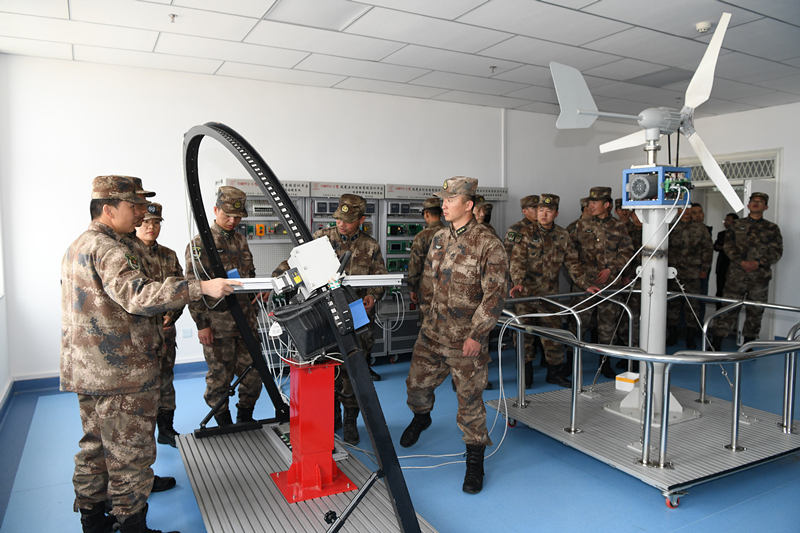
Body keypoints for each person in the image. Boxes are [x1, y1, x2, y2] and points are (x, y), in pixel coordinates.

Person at [61, 175, 239, 533]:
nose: (142, 212)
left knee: (95, 447)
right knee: (130, 454)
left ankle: (93, 522)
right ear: (109, 209)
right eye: (134, 205)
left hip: (88, 369)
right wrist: (200, 287)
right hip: (119, 372)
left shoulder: (79, 245)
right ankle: (132, 526)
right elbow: (138, 296)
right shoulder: (111, 249)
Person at [400, 176, 508, 495]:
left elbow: (494, 296)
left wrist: (477, 335)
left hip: (466, 340)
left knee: (469, 402)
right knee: (416, 386)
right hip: (432, 334)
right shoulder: (439, 238)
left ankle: (475, 459)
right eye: (443, 199)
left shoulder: (488, 244)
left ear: (469, 205)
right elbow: (428, 283)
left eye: (450, 200)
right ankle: (422, 417)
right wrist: (426, 319)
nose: (444, 205)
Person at [273, 194, 388, 445]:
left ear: (361, 220)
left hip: (355, 318)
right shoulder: (321, 239)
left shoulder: (370, 246)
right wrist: (276, 280)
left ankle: (350, 420)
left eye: (348, 220)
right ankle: (332, 416)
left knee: (353, 373)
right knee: (326, 369)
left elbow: (380, 278)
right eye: (338, 219)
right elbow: (292, 263)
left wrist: (372, 295)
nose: (341, 224)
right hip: (323, 318)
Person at [185, 186, 264, 428]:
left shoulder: (241, 240)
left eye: (237, 217)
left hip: (246, 321)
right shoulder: (200, 244)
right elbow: (192, 287)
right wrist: (202, 324)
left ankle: (245, 416)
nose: (232, 221)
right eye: (227, 215)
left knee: (254, 373)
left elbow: (249, 274)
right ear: (215, 210)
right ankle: (223, 422)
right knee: (220, 377)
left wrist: (257, 294)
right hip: (218, 324)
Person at [509, 194, 585, 388]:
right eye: (540, 210)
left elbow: (573, 263)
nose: (543, 214)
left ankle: (555, 374)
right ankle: (526, 375)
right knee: (524, 336)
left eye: (549, 211)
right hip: (526, 295)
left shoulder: (562, 235)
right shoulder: (525, 233)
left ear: (556, 214)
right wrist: (518, 282)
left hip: (550, 296)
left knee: (554, 336)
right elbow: (517, 261)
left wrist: (586, 284)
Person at [569, 186, 634, 378]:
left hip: (610, 285)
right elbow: (570, 254)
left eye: (595, 202)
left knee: (607, 326)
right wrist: (582, 280)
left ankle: (604, 363)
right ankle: (572, 362)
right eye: (590, 202)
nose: (591, 205)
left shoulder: (619, 227)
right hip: (585, 286)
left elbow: (627, 252)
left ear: (606, 205)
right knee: (578, 324)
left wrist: (611, 269)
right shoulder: (580, 226)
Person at [135, 202, 185, 448]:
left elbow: (182, 289)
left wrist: (171, 315)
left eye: (156, 223)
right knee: (139, 385)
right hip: (138, 336)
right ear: (137, 222)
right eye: (146, 222)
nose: (151, 227)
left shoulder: (169, 255)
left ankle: (166, 430)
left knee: (166, 379)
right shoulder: (126, 254)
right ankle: (140, 436)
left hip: (165, 332)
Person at [712, 193, 783, 349]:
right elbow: (728, 246)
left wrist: (759, 263)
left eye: (760, 202)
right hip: (736, 276)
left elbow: (777, 251)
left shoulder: (772, 228)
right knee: (728, 309)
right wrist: (741, 262)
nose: (756, 203)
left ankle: (748, 345)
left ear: (766, 207)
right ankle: (716, 343)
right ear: (748, 205)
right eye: (753, 201)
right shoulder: (736, 225)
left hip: (759, 278)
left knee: (755, 312)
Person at [666, 206, 713, 349]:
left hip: (693, 272)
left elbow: (707, 249)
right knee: (672, 305)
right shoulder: (670, 226)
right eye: (682, 208)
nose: (686, 211)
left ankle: (690, 337)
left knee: (692, 305)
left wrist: (705, 268)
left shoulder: (700, 228)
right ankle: (672, 335)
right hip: (673, 272)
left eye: (688, 208)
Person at [408, 197, 444, 308]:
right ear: (442, 214)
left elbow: (415, 265)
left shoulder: (421, 236)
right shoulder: (451, 234)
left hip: (426, 289)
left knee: (427, 317)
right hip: (446, 289)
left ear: (426, 214)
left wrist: (412, 288)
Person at [691, 203, 713, 323]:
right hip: (682, 271)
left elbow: (708, 251)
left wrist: (705, 269)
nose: (698, 215)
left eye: (700, 212)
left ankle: (698, 326)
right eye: (694, 213)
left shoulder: (704, 229)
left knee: (700, 299)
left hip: (699, 271)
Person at [714, 212, 740, 309]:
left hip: (735, 267)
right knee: (720, 291)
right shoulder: (722, 234)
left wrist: (726, 247)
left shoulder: (740, 235)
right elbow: (715, 246)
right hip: (722, 266)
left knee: (733, 292)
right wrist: (721, 247)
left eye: (728, 220)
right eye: (725, 220)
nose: (726, 222)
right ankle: (718, 312)